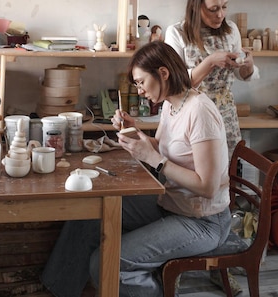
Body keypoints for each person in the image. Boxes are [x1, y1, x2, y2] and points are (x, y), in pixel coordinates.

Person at [40, 41, 231, 296]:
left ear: (163, 73)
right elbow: (162, 147)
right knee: (88, 213)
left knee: (106, 263)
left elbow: (207, 187)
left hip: (203, 221)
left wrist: (154, 159)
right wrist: (134, 132)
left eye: (141, 82)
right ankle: (57, 291)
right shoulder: (171, 104)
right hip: (172, 205)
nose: (140, 91)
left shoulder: (199, 111)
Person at [165, 0, 259, 160]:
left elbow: (239, 74)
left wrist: (248, 66)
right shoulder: (177, 33)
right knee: (194, 172)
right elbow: (174, 84)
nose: (220, 15)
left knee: (225, 173)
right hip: (190, 114)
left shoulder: (230, 30)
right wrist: (209, 62)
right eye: (213, 9)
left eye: (224, 7)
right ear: (195, 7)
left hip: (224, 113)